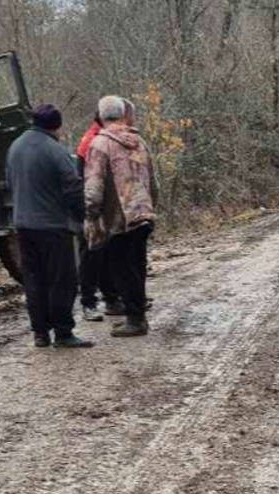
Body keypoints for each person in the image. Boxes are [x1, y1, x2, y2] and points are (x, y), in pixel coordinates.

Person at [6, 104, 94, 349]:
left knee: (34, 280)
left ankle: (40, 333)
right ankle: (64, 332)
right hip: (52, 227)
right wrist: (82, 217)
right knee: (61, 280)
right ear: (56, 126)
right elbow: (73, 189)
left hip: (23, 225)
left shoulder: (15, 146)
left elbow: (9, 182)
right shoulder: (55, 151)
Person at [84, 96, 159, 338]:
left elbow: (94, 186)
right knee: (137, 266)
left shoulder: (99, 145)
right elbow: (153, 180)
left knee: (121, 268)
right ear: (123, 113)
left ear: (101, 115)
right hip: (143, 213)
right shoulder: (138, 141)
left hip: (118, 218)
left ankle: (134, 320)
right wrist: (150, 206)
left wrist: (91, 214)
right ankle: (137, 316)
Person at [75, 111, 122, 322]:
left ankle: (112, 299)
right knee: (90, 255)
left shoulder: (102, 138)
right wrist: (90, 212)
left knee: (105, 253)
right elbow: (84, 179)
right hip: (90, 207)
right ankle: (88, 302)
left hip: (103, 206)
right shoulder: (91, 141)